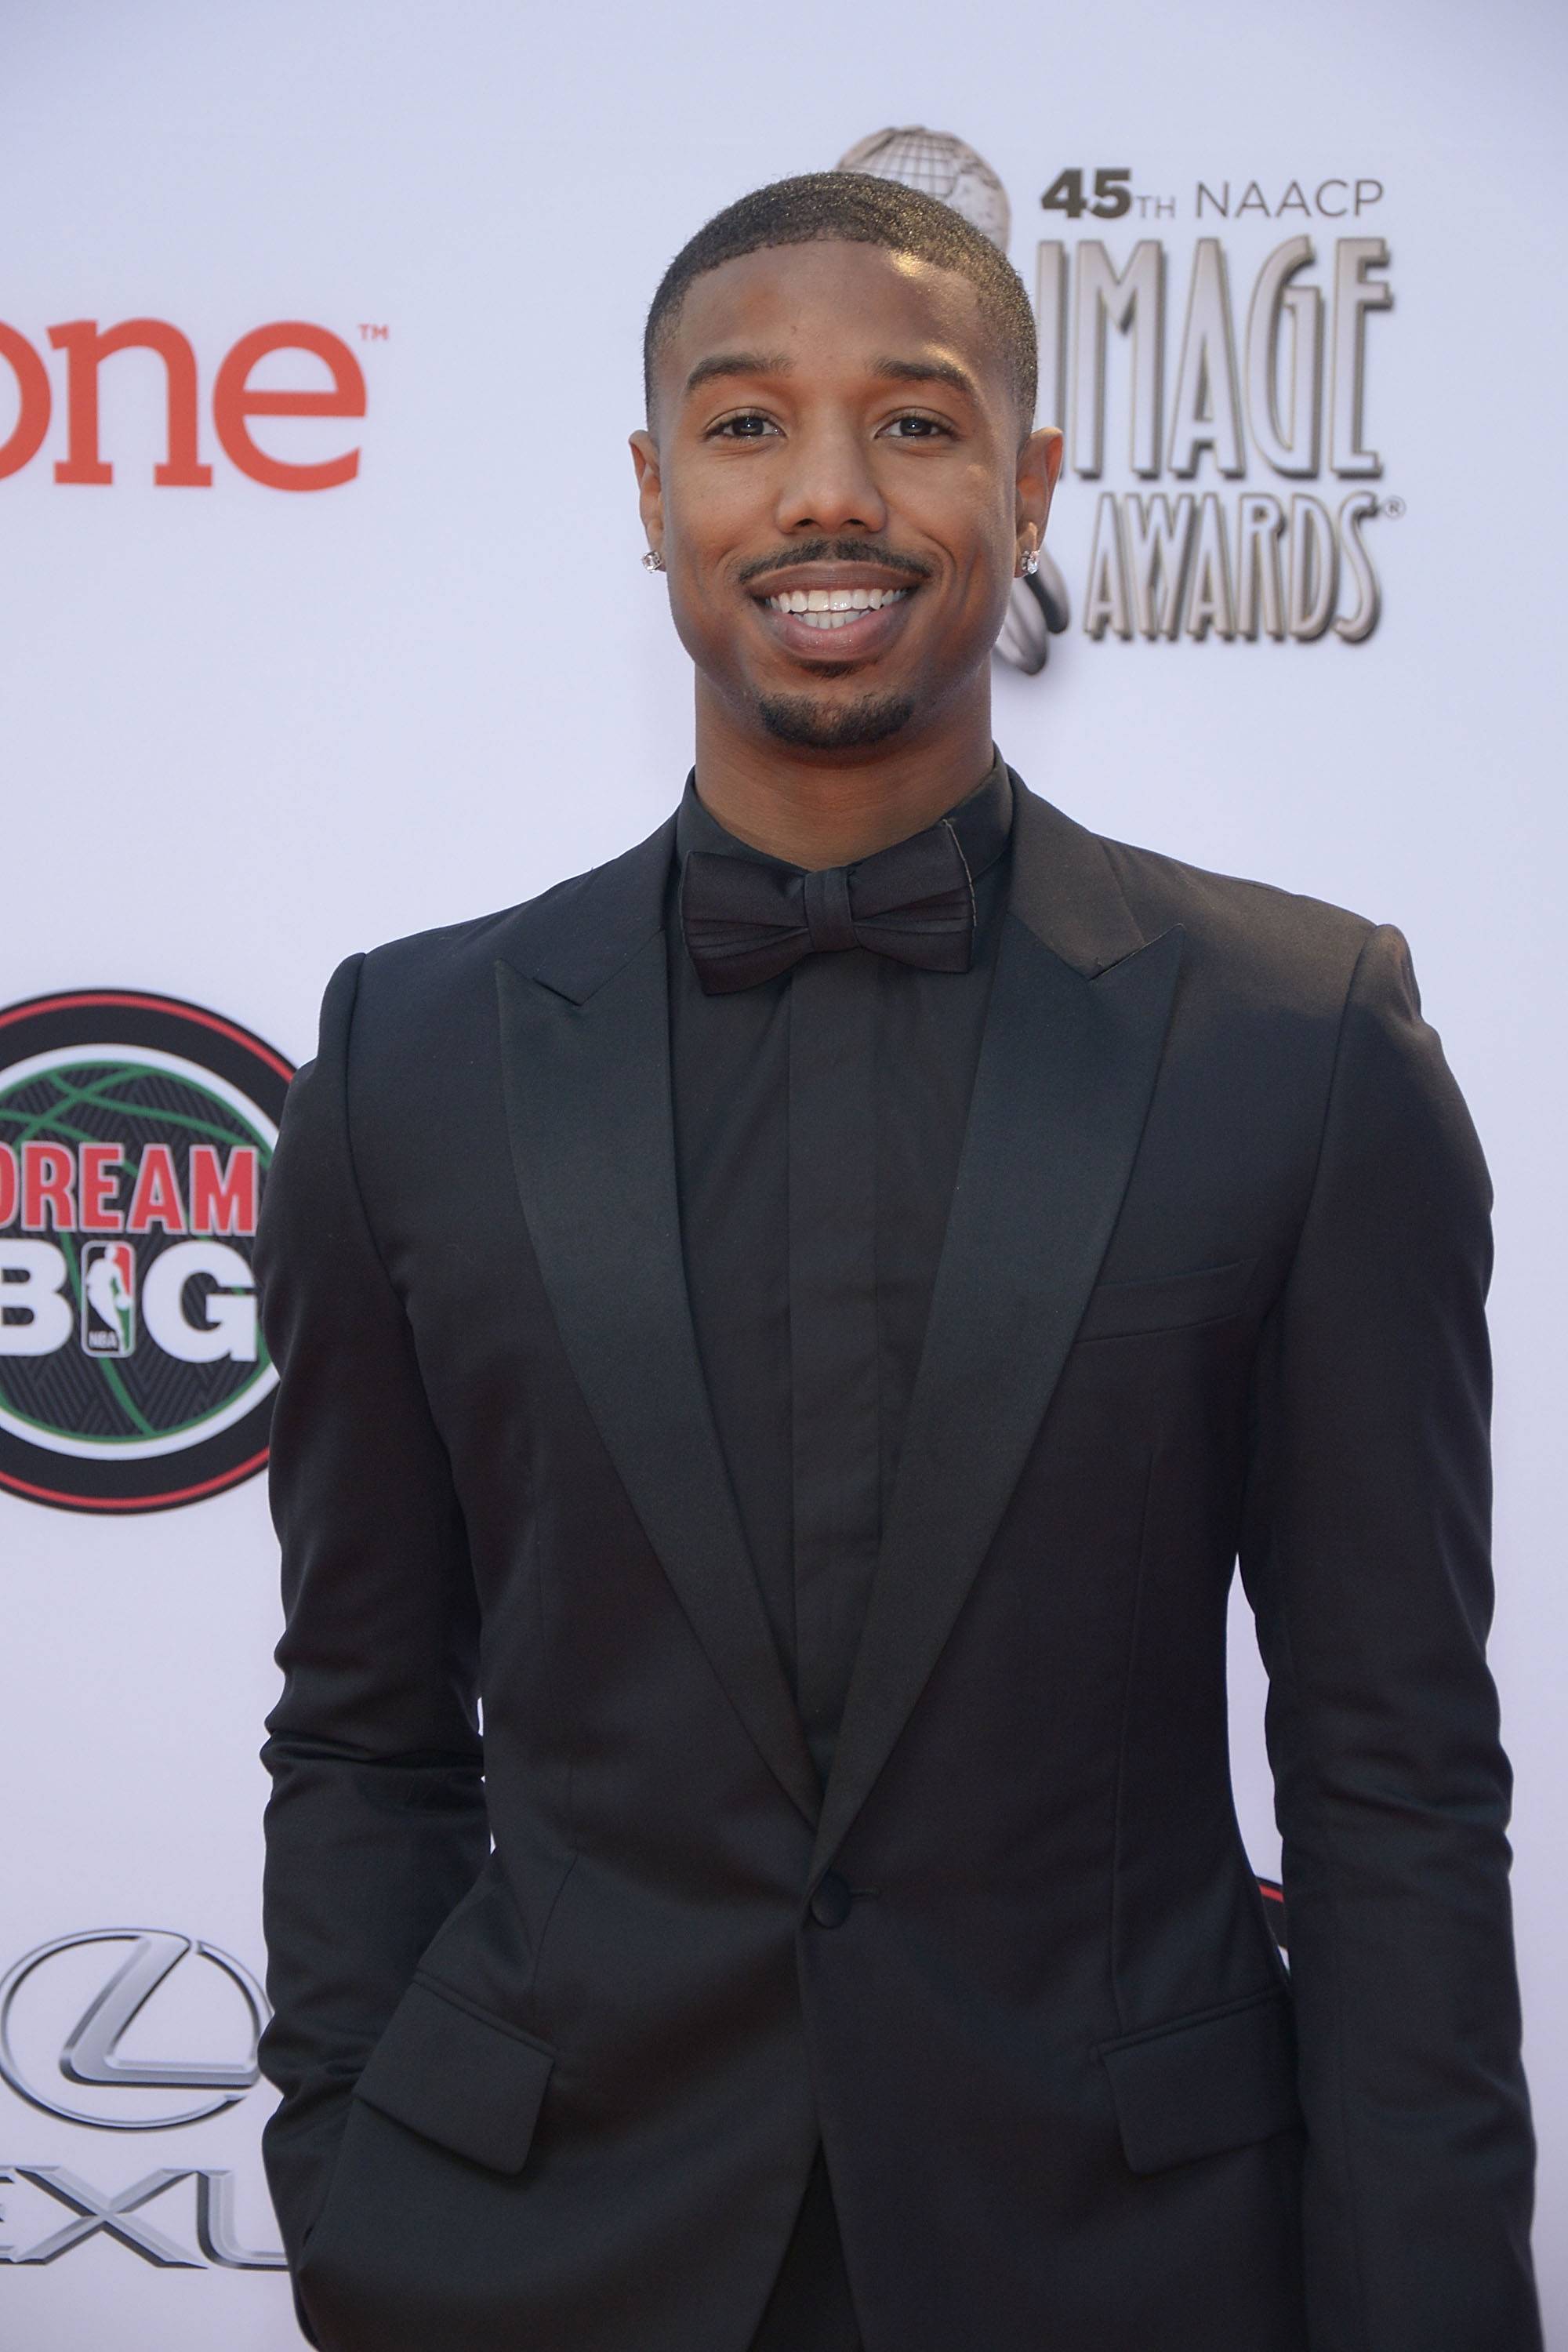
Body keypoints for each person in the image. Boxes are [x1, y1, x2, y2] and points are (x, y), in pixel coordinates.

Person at [254, 172, 1541, 2352]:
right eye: (746, 426)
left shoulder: (1299, 1043)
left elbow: (1392, 1763)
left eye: (918, 424)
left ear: (1030, 484)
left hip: (1125, 2266)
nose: (828, 494)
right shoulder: (407, 1059)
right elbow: (369, 1736)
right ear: (652, 494)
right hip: (535, 2256)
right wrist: (354, 2181)